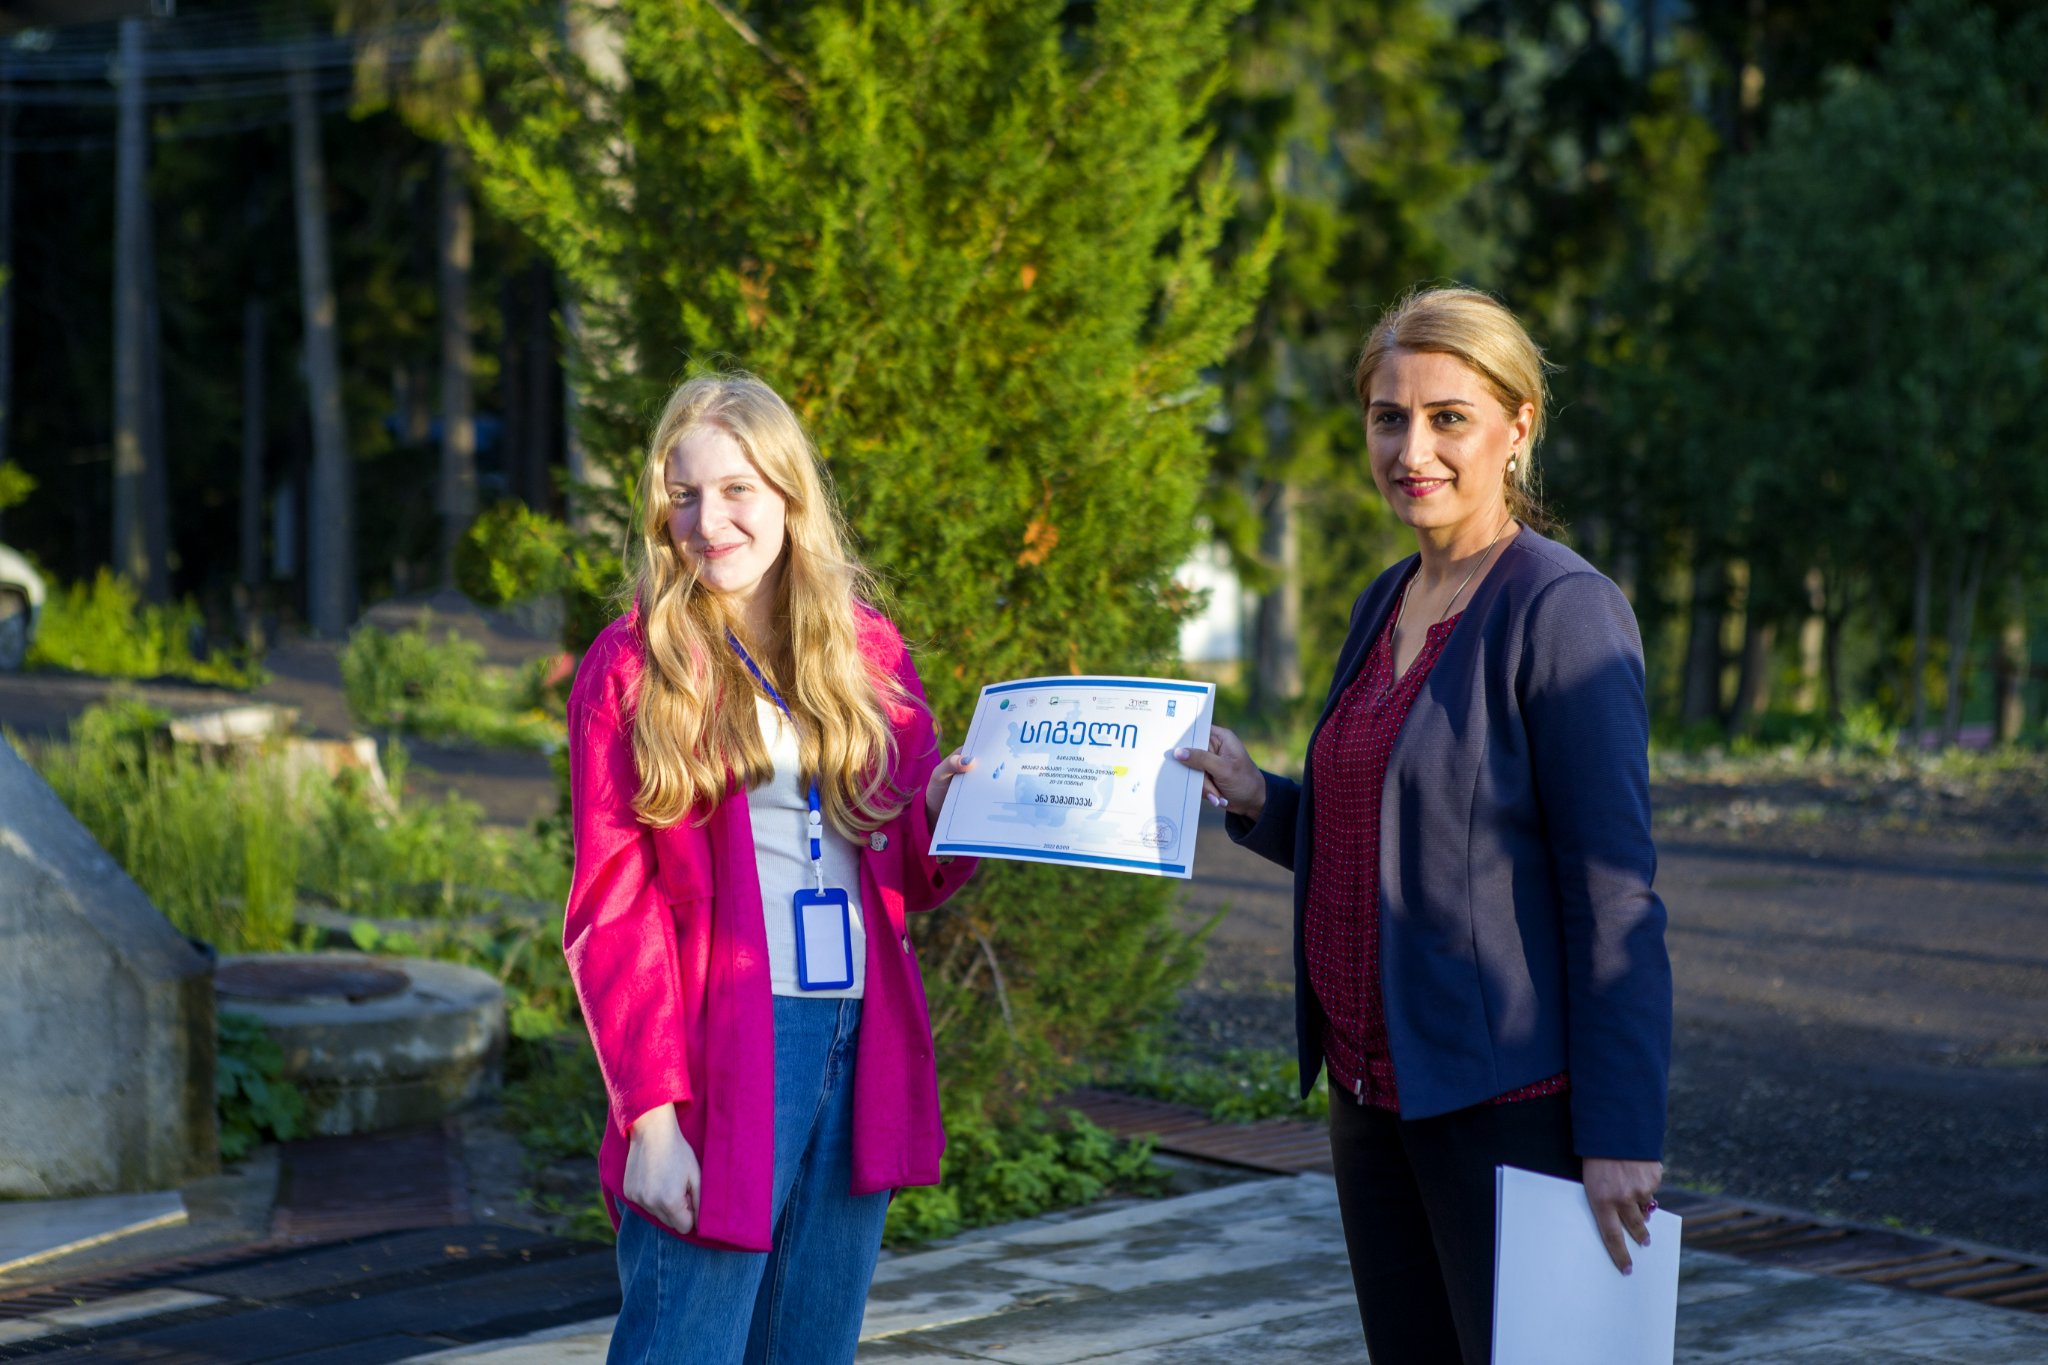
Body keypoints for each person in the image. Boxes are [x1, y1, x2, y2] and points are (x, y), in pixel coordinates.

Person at [1176, 286, 1671, 1365]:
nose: (1412, 450)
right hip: (1370, 1095)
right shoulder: (1384, 599)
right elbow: (1388, 833)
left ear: (1517, 426)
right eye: (1387, 417)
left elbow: (1613, 892)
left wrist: (1622, 1131)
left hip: (1503, 1102)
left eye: (1448, 417)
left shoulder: (1562, 609)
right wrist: (1258, 797)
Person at [562, 371, 978, 1365]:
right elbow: (611, 913)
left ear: (789, 494)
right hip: (725, 1049)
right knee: (687, 1344)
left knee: (811, 1345)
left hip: (856, 1036)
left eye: (736, 490)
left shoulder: (866, 650)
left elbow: (911, 871)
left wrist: (947, 804)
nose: (708, 523)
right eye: (684, 495)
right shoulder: (635, 667)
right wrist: (650, 1119)